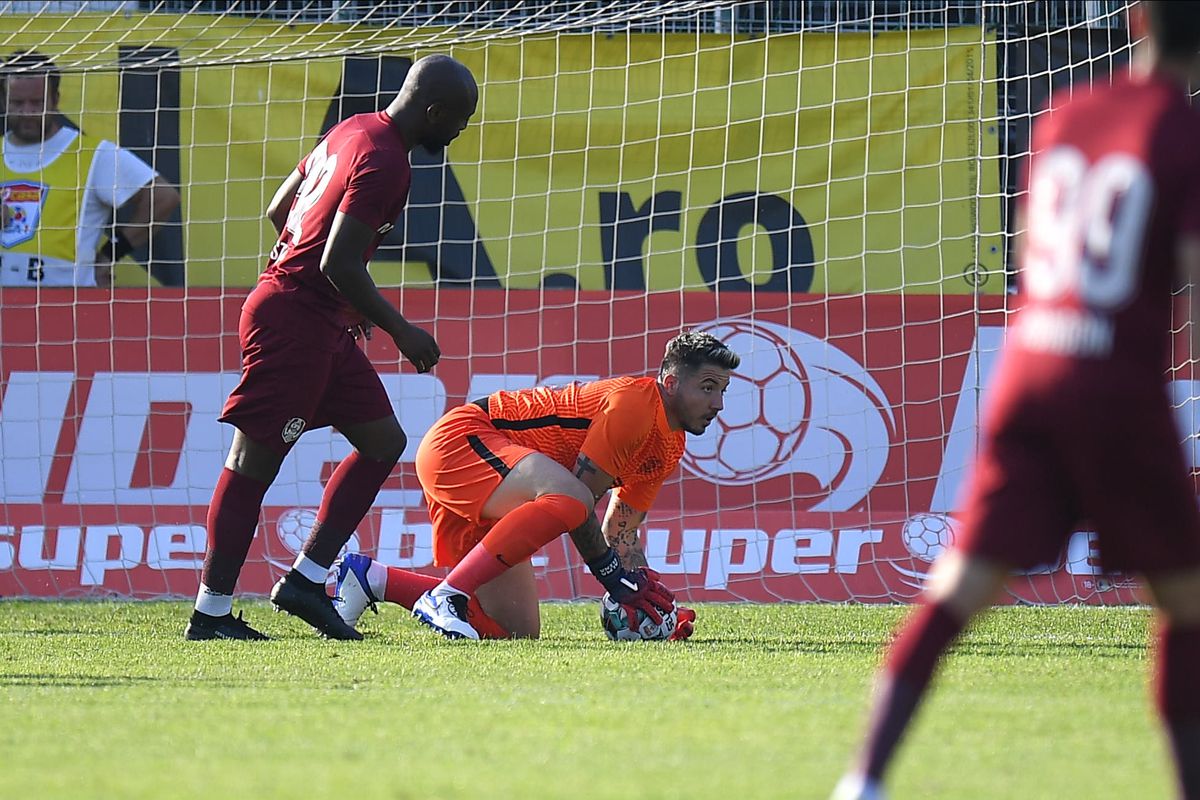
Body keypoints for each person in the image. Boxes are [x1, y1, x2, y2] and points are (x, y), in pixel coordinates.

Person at [832, 3, 1200, 798]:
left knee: (963, 585)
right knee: (1186, 601)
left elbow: (1034, 241)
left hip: (1028, 368)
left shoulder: (1067, 111)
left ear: (1138, 20)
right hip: (1116, 385)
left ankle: (864, 780)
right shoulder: (1185, 133)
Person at [184, 54, 478, 641]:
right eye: (460, 119)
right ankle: (210, 613)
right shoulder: (387, 160)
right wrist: (400, 329)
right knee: (251, 464)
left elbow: (279, 209)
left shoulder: (353, 128)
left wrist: (343, 303)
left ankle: (305, 580)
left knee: (383, 441)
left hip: (320, 321)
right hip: (293, 324)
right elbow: (337, 261)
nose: (460, 131)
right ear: (434, 111)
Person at [331, 330, 738, 640]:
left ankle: (369, 579)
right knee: (574, 498)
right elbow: (578, 504)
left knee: (515, 632)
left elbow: (622, 531)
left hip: (505, 479)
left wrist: (651, 604)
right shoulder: (635, 405)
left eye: (722, 390)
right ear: (671, 382)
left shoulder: (670, 444)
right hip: (462, 442)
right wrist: (615, 580)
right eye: (707, 388)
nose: (718, 404)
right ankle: (447, 594)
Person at [0, 50, 180, 287]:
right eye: (17, 103)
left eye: (37, 103)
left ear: (55, 100)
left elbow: (163, 198)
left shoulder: (93, 154)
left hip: (65, 301)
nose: (27, 112)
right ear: (4, 100)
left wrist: (110, 254)